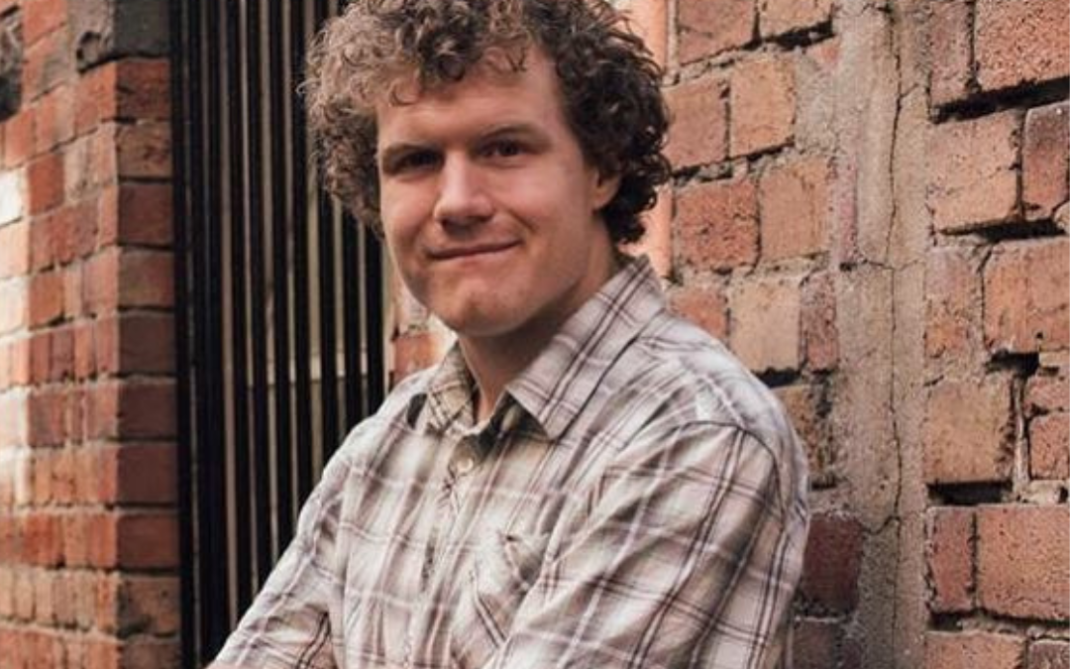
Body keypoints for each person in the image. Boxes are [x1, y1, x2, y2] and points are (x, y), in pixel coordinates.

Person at [211, 0, 809, 667]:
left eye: (504, 148)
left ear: (602, 168)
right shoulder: (382, 450)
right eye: (415, 160)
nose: (457, 201)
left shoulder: (691, 434)